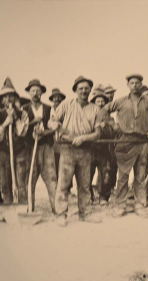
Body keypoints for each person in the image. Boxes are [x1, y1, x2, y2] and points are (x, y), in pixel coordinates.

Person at [100, 74, 148, 218]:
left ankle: (140, 204)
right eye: (132, 83)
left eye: (137, 83)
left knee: (140, 175)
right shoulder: (120, 101)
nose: (135, 85)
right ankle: (120, 205)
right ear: (128, 85)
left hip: (143, 142)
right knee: (123, 175)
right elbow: (103, 111)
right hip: (125, 141)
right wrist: (113, 125)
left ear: (141, 84)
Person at [49, 76, 102, 226]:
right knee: (63, 184)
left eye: (86, 88)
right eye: (80, 88)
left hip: (85, 150)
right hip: (67, 148)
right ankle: (61, 214)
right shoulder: (66, 105)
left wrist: (84, 138)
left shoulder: (95, 109)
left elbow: (97, 133)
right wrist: (54, 124)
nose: (84, 91)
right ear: (75, 90)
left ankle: (85, 213)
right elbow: (52, 120)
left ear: (90, 90)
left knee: (85, 185)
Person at [22, 79, 58, 213]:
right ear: (29, 93)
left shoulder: (49, 108)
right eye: (33, 91)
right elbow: (21, 129)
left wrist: (44, 132)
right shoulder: (23, 109)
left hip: (46, 147)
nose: (35, 93)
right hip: (29, 148)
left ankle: (56, 208)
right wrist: (32, 123)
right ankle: (29, 209)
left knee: (51, 178)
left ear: (42, 93)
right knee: (29, 178)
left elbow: (54, 127)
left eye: (38, 91)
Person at [0, 77, 29, 204]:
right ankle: (8, 208)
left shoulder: (23, 113)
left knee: (21, 183)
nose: (8, 99)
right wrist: (5, 124)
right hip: (4, 153)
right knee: (5, 183)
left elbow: (22, 133)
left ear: (15, 98)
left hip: (20, 152)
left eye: (10, 96)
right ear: (1, 100)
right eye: (5, 97)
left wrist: (16, 119)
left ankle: (23, 207)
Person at [89, 90, 112, 206]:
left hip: (104, 149)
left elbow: (114, 132)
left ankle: (103, 196)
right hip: (90, 148)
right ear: (94, 103)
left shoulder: (109, 117)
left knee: (105, 172)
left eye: (103, 101)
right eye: (98, 101)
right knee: (88, 172)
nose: (101, 103)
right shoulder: (88, 114)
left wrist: (106, 126)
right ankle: (89, 196)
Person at [48, 88, 66, 179]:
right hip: (53, 140)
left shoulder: (66, 109)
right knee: (55, 162)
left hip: (64, 138)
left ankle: (67, 188)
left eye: (59, 97)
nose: (57, 99)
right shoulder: (49, 110)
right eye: (55, 98)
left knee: (65, 164)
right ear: (52, 99)